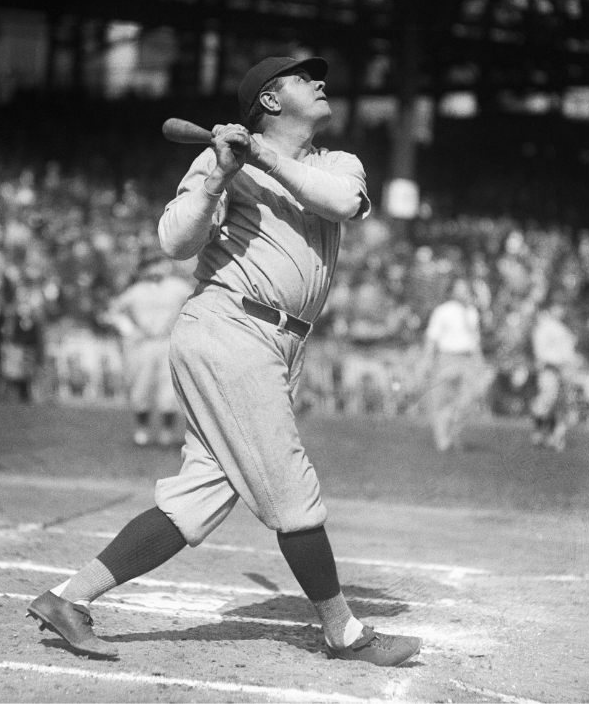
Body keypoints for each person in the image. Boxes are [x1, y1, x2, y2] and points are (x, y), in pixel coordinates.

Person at [26, 56, 422, 667]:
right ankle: (343, 631)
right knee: (290, 489)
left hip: (274, 343)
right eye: (302, 78)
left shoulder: (337, 164)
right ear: (268, 99)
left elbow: (340, 204)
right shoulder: (219, 163)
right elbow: (176, 242)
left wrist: (261, 160)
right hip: (229, 327)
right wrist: (218, 177)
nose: (320, 83)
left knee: (198, 496)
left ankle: (67, 598)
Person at [107, 250, 193, 447]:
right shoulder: (137, 290)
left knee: (169, 388)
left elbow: (196, 306)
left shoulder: (178, 287)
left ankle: (166, 432)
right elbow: (115, 312)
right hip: (143, 344)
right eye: (150, 264)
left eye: (158, 263)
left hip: (169, 341)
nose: (155, 268)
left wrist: (183, 327)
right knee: (141, 385)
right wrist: (131, 330)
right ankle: (142, 430)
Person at [421, 278, 491, 452]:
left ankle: (452, 428)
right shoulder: (443, 311)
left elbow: (475, 340)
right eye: (459, 288)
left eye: (465, 288)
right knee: (443, 398)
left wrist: (480, 362)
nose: (463, 292)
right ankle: (444, 439)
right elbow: (432, 337)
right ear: (452, 291)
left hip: (467, 359)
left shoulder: (472, 312)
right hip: (448, 357)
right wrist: (427, 359)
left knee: (469, 397)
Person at [528, 301, 578, 452]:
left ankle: (552, 435)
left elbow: (569, 353)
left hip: (563, 370)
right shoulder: (545, 327)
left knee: (560, 404)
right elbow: (540, 351)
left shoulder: (564, 328)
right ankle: (539, 431)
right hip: (549, 368)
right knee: (546, 400)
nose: (560, 311)